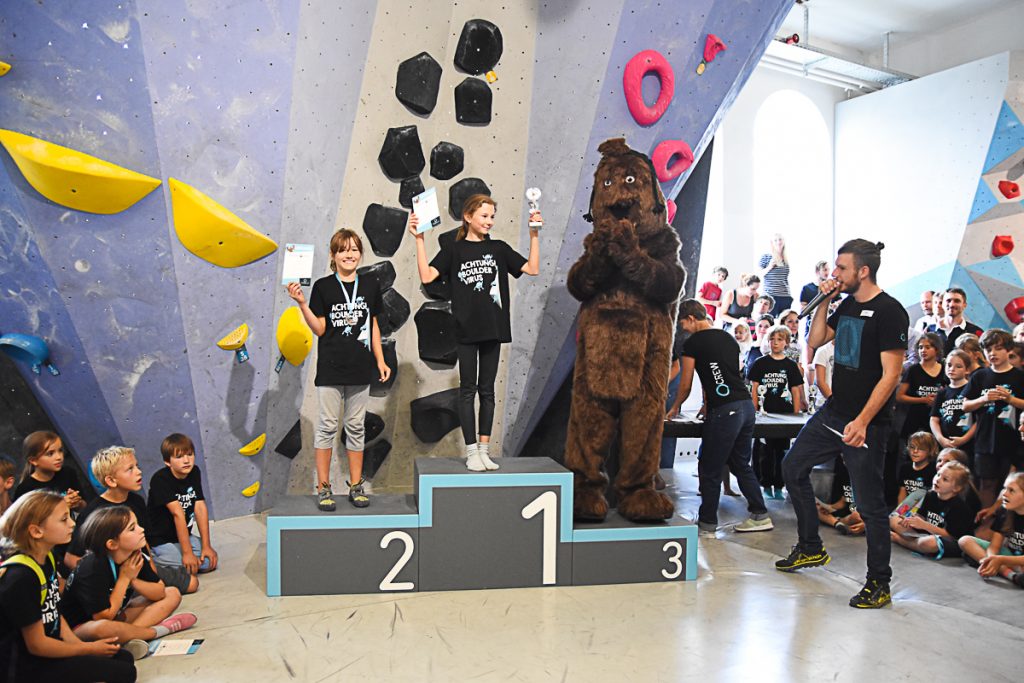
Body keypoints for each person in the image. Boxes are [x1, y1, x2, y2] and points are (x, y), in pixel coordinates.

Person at [775, 239, 907, 610]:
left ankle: (878, 582)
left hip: (867, 422)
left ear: (863, 271)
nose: (835, 274)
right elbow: (816, 340)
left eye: (842, 269)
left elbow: (891, 375)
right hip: (833, 413)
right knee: (792, 467)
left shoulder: (889, 311)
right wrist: (825, 301)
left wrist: (864, 421)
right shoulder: (846, 303)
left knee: (869, 505)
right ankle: (810, 546)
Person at [411, 194, 541, 471]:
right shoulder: (454, 250)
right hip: (465, 329)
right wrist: (419, 240)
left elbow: (532, 268)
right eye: (484, 216)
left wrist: (534, 235)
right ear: (468, 217)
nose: (489, 221)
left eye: (492, 216)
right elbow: (426, 276)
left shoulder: (498, 248)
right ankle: (471, 451)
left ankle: (484, 450)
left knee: (488, 391)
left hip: (492, 329)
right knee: (468, 390)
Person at [287, 228, 391, 510]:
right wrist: (301, 304)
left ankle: (356, 486)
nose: (350, 254)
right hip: (331, 370)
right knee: (327, 427)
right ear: (333, 255)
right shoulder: (323, 286)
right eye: (343, 249)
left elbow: (373, 326)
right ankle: (323, 487)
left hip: (360, 368)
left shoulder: (369, 285)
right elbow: (320, 328)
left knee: (356, 427)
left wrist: (380, 360)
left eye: (355, 249)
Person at [0, 490, 138, 681]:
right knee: (124, 673)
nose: (72, 523)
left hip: (47, 651)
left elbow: (55, 613)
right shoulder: (20, 577)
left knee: (124, 658)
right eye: (64, 519)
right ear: (36, 531)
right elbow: (37, 645)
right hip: (25, 666)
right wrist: (87, 648)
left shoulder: (46, 557)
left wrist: (79, 647)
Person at [667, 300, 772, 537]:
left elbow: (686, 383)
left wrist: (674, 408)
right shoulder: (728, 339)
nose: (683, 329)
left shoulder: (692, 342)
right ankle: (760, 514)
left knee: (709, 466)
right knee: (740, 463)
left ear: (692, 318)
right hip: (745, 407)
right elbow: (722, 376)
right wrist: (706, 404)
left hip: (725, 411)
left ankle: (706, 525)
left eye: (683, 323)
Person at [61, 507, 197, 653]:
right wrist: (124, 578)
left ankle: (131, 638)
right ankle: (157, 631)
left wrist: (133, 580)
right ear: (112, 544)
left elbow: (160, 591)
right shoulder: (93, 567)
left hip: (116, 615)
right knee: (104, 627)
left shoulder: (134, 554)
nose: (141, 529)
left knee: (172, 593)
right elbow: (103, 616)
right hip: (82, 628)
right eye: (132, 528)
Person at [64, 446, 197, 595]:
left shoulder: (137, 501)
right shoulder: (93, 513)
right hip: (116, 578)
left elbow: (144, 540)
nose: (139, 472)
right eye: (130, 469)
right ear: (111, 480)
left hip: (140, 566)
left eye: (137, 466)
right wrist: (107, 580)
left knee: (192, 583)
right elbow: (71, 558)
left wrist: (152, 570)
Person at [962, 329, 1024, 516]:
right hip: (985, 438)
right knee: (986, 483)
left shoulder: (1019, 376)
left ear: (1008, 351)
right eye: (989, 350)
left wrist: (1010, 399)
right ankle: (985, 520)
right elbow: (965, 406)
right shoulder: (980, 376)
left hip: (1012, 439)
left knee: (1009, 483)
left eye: (998, 349)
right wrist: (983, 399)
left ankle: (1006, 526)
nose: (993, 354)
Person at [146, 434, 218, 575]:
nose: (186, 461)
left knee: (208, 562)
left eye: (190, 455)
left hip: (182, 536)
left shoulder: (194, 472)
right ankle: (150, 558)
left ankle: (177, 555)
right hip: (160, 539)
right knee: (187, 566)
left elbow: (200, 507)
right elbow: (178, 513)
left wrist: (206, 545)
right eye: (179, 457)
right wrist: (187, 553)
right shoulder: (160, 479)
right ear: (168, 462)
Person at [749, 325, 804, 501]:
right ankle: (765, 484)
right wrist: (755, 410)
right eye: (772, 339)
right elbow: (755, 388)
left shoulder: (790, 366)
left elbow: (796, 390)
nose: (775, 343)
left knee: (782, 452)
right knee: (765, 451)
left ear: (786, 343)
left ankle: (779, 485)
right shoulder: (760, 363)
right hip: (765, 415)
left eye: (780, 340)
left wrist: (796, 415)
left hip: (785, 416)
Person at [889, 461, 973, 559]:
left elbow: (951, 536)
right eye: (938, 475)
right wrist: (910, 520)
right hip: (927, 533)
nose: (937, 480)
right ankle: (916, 544)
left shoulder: (959, 507)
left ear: (956, 488)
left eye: (945, 479)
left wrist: (925, 525)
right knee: (894, 519)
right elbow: (921, 516)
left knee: (930, 543)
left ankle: (901, 541)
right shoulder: (930, 495)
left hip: (947, 541)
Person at [958, 471, 1024, 587]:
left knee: (975, 556)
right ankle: (1011, 575)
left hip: (1017, 560)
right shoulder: (1005, 512)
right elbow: (994, 546)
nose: (1005, 494)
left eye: (1011, 490)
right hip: (1010, 559)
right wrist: (992, 559)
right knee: (965, 541)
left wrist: (999, 560)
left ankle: (994, 566)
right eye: (1004, 489)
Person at [13, 431, 89, 511]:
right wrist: (62, 505)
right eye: (50, 454)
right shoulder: (26, 489)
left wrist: (77, 501)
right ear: (33, 460)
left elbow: (84, 506)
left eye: (60, 450)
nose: (59, 457)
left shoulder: (68, 473)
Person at [895, 332, 947, 440]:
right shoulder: (913, 370)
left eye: (927, 347)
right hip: (914, 418)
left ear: (936, 349)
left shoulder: (944, 370)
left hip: (936, 418)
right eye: (920, 347)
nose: (923, 350)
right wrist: (923, 400)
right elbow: (900, 396)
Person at [929, 349, 976, 455]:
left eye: (958, 366)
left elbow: (978, 420)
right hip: (945, 443)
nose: (952, 369)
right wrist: (940, 438)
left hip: (968, 445)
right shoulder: (942, 393)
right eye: (949, 365)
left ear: (967, 370)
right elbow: (934, 419)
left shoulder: (973, 389)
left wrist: (964, 439)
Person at [933, 287, 982, 355]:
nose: (952, 304)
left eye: (957, 301)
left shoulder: (975, 332)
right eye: (948, 300)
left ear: (964, 305)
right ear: (943, 304)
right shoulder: (929, 330)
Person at [896, 432, 938, 503]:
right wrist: (900, 512)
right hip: (908, 508)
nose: (915, 451)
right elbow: (902, 492)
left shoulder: (934, 469)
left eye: (921, 448)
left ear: (930, 450)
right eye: (912, 447)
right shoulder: (905, 468)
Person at [759, 233, 792, 315]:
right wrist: (769, 267)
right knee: (770, 321)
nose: (778, 242)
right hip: (770, 295)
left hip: (785, 295)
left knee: (784, 323)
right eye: (775, 240)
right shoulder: (766, 257)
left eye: (780, 239)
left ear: (783, 241)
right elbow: (759, 275)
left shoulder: (786, 258)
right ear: (772, 243)